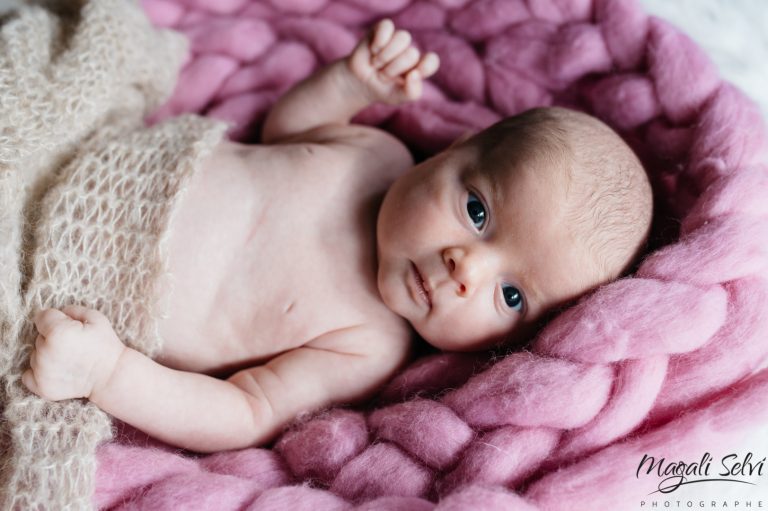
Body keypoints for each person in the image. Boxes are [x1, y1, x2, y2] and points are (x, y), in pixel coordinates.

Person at [21, 19, 652, 453]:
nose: (467, 270)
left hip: (60, 277)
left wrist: (108, 374)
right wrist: (352, 83)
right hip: (82, 159)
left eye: (511, 296)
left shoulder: (368, 346)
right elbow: (288, 129)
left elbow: (246, 412)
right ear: (455, 150)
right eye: (479, 212)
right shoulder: (376, 154)